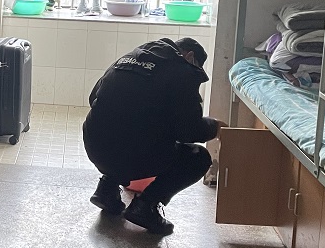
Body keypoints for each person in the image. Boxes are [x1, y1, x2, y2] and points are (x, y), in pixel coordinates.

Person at [83, 37, 225, 235]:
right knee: (198, 158)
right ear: (190, 56)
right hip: (133, 155)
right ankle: (146, 206)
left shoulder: (131, 57)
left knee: (127, 128)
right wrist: (214, 126)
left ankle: (106, 190)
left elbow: (94, 98)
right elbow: (190, 131)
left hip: (94, 146)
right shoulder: (183, 71)